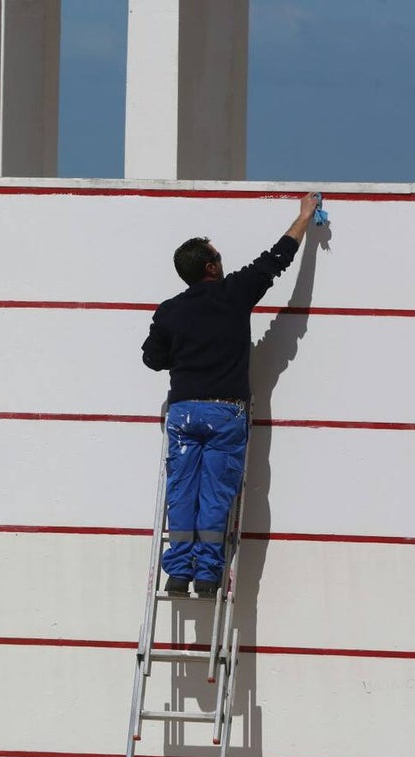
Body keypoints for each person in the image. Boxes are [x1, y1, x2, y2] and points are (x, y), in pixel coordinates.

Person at [141, 193, 320, 597]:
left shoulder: (169, 310)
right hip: (224, 413)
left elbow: (153, 360)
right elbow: (277, 258)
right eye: (218, 256)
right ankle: (206, 576)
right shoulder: (235, 293)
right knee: (217, 493)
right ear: (210, 267)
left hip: (185, 413)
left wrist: (186, 354)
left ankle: (177, 573)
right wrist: (304, 217)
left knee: (183, 490)